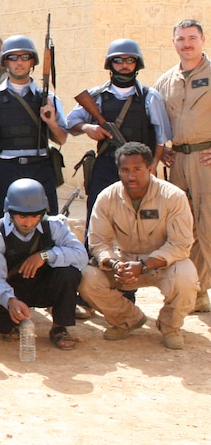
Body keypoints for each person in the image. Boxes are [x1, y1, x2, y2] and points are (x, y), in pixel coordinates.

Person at [80, 142, 198, 349]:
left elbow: (181, 244)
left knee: (187, 276)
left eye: (137, 169)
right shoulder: (107, 198)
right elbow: (98, 242)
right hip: (124, 262)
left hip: (162, 264)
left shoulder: (173, 196)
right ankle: (128, 319)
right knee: (86, 277)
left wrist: (143, 266)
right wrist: (115, 264)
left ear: (150, 169)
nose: (130, 176)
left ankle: (170, 326)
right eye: (125, 170)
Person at [0, 179, 87, 351]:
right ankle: (8, 325)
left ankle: (59, 327)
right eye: (22, 216)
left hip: (42, 286)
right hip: (11, 289)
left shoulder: (54, 226)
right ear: (10, 212)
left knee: (69, 272)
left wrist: (46, 255)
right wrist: (10, 300)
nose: (28, 223)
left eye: (34, 216)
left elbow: (81, 256)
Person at [67, 39, 169, 215]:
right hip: (106, 166)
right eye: (118, 60)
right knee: (98, 218)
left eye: (130, 60)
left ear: (137, 64)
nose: (124, 65)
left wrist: (153, 164)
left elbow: (161, 138)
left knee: (141, 219)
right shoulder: (96, 96)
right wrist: (87, 128)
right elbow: (70, 123)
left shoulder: (150, 97)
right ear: (110, 64)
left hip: (139, 168)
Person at [0, 35, 68, 215]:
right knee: (10, 222)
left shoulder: (48, 98)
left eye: (25, 57)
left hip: (40, 166)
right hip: (8, 168)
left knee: (48, 222)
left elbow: (62, 138)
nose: (19, 62)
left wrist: (51, 123)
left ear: (33, 62)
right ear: (5, 62)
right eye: (13, 57)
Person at [154, 19, 211, 313]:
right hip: (177, 162)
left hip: (206, 161)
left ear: (203, 39)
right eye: (181, 39)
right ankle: (193, 291)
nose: (186, 43)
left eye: (192, 38)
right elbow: (157, 121)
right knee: (182, 227)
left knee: (208, 226)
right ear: (174, 42)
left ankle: (201, 289)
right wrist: (161, 151)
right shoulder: (165, 81)